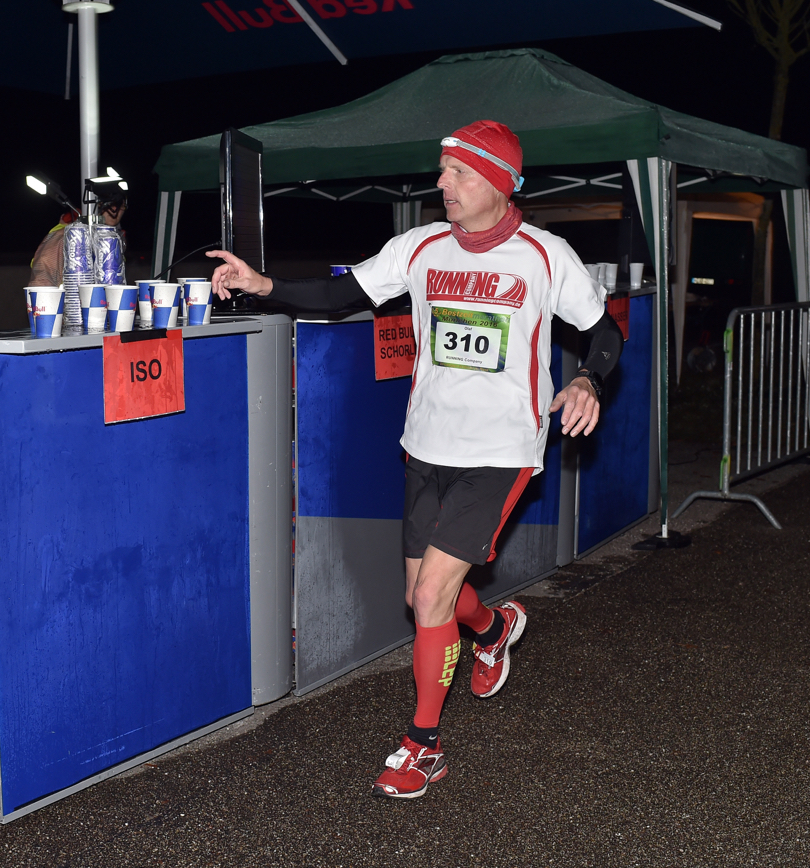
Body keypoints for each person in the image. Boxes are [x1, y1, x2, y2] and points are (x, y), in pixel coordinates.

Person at [208, 120, 624, 799]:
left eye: (457, 173)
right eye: (442, 171)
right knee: (424, 598)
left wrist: (587, 380)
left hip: (500, 452)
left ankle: (422, 746)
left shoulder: (545, 256)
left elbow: (603, 331)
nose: (442, 184)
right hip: (426, 445)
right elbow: (343, 294)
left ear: (495, 182)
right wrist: (263, 285)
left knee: (430, 597)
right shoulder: (422, 245)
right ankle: (493, 629)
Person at [27, 187, 128, 288]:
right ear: (96, 204)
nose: (115, 210)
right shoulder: (69, 234)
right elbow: (42, 274)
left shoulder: (117, 240)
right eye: (109, 204)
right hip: (69, 300)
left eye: (120, 205)